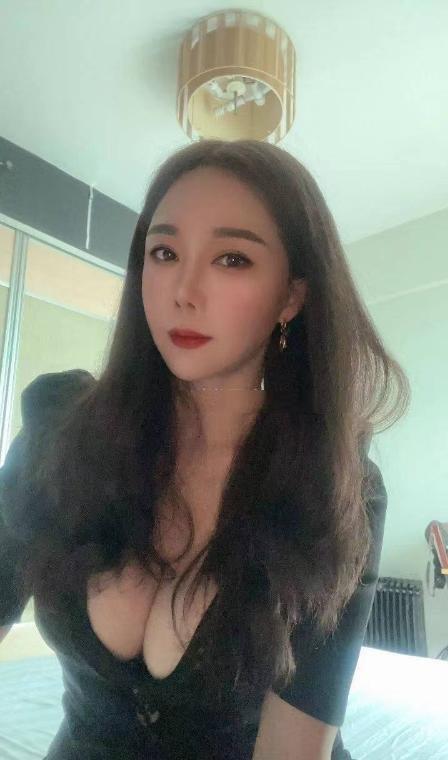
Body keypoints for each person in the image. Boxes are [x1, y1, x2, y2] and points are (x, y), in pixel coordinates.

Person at [0, 139, 409, 759]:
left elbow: (294, 748)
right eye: (164, 253)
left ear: (291, 297)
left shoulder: (337, 489)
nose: (184, 291)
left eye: (232, 259)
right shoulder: (59, 429)